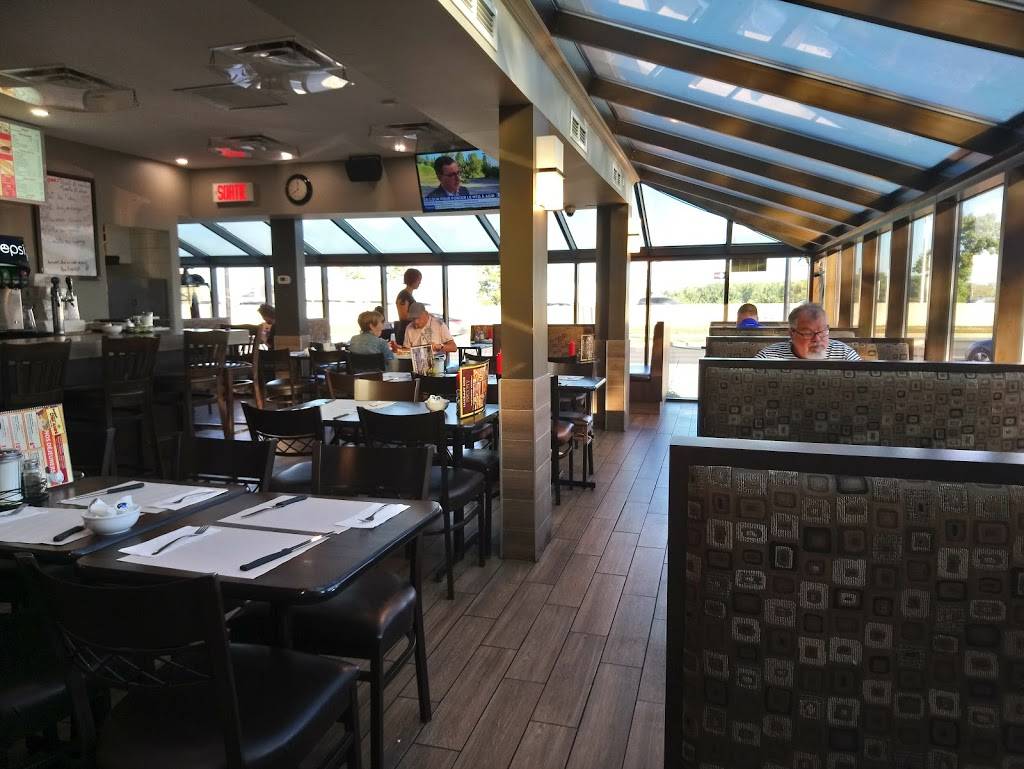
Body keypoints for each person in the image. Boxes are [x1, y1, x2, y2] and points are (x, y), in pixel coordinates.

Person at [755, 303, 861, 361]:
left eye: (822, 332)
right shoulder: (769, 356)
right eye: (808, 333)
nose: (817, 339)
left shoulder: (845, 354)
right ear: (792, 333)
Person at [394, 268, 421, 346]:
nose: (420, 282)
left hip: (410, 330)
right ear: (413, 279)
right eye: (419, 280)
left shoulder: (408, 295)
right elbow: (403, 316)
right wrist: (419, 316)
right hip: (405, 331)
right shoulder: (403, 295)